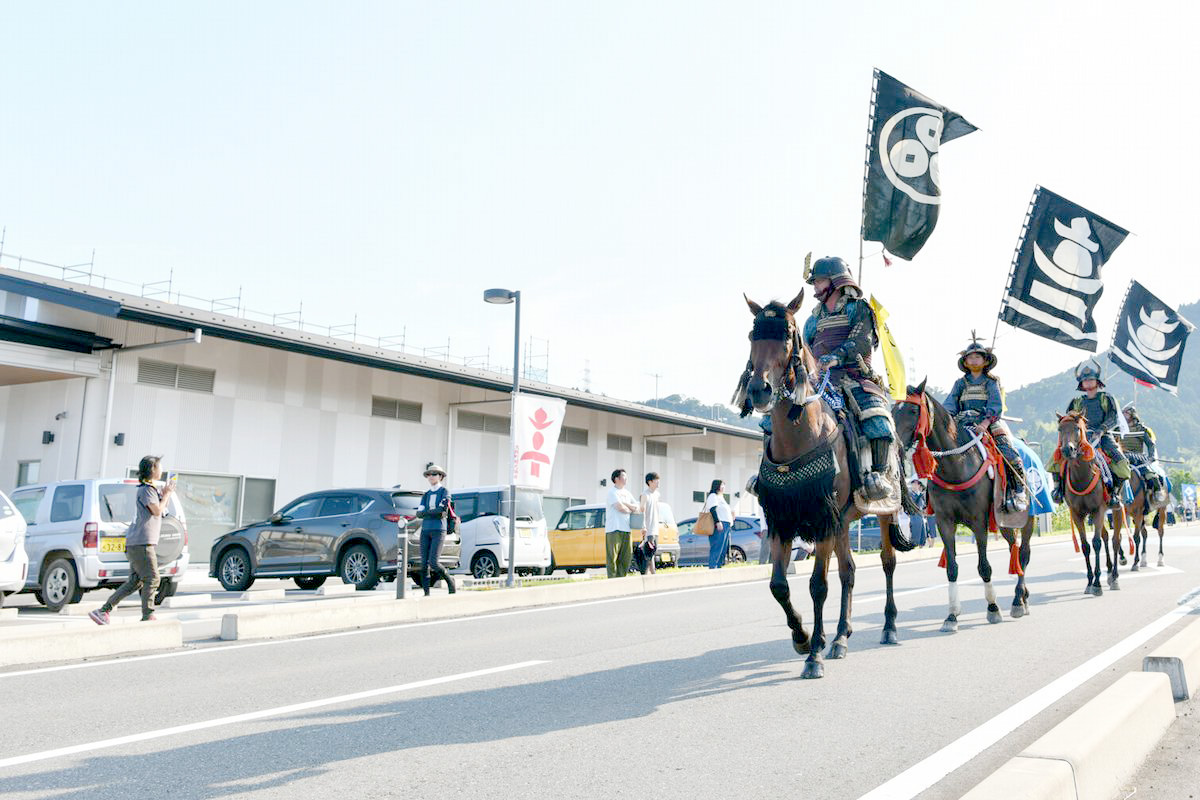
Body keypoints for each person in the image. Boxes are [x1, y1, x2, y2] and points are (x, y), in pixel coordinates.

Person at [803, 256, 896, 500]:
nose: (815, 287)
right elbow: (805, 347)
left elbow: (863, 341)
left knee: (878, 420)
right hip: (820, 381)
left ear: (835, 281)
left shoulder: (859, 308)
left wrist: (837, 356)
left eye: (819, 281)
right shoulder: (814, 318)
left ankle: (879, 476)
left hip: (854, 377)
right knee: (782, 414)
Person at [943, 335, 1028, 512]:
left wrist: (985, 422)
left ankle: (1019, 492)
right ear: (965, 362)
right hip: (963, 424)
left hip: (988, 423)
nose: (974, 360)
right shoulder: (960, 383)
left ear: (985, 360)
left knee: (1010, 454)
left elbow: (995, 405)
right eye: (970, 357)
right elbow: (950, 404)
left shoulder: (991, 382)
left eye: (977, 356)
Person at [89, 455, 173, 624]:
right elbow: (157, 511)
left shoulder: (150, 489)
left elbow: (162, 511)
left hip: (137, 542)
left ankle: (103, 611)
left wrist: (166, 495)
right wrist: (166, 496)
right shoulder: (146, 489)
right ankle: (148, 614)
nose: (162, 470)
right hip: (142, 543)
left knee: (135, 582)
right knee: (153, 578)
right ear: (153, 470)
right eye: (160, 467)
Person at [1051, 360, 1130, 507]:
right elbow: (1069, 420)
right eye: (1084, 380)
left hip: (1104, 436)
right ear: (1081, 384)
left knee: (1122, 462)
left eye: (1090, 379)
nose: (1087, 382)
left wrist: (1101, 430)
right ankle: (1058, 490)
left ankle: (1114, 494)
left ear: (1097, 381)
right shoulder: (1076, 401)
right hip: (1080, 438)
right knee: (1055, 459)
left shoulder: (1107, 398)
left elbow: (1114, 417)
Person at [414, 463, 456, 595]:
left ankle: (450, 582)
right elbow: (418, 513)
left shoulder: (444, 491)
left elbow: (442, 511)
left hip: (439, 530)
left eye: (434, 474)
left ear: (440, 476)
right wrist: (432, 511)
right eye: (429, 475)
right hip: (425, 530)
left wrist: (427, 511)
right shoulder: (426, 495)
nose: (431, 477)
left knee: (433, 562)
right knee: (423, 564)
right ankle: (426, 593)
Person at [1121, 405, 1167, 504]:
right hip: (1121, 457)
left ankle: (1157, 493)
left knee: (1151, 475)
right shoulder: (1118, 429)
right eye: (1123, 413)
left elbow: (1150, 445)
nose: (1124, 416)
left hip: (1138, 458)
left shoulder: (1141, 429)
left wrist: (1151, 456)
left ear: (1132, 415)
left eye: (1126, 413)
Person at [605, 469, 638, 578]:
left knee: (626, 556)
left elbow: (636, 507)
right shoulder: (612, 492)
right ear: (616, 479)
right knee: (612, 557)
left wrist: (625, 503)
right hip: (614, 529)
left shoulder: (627, 493)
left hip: (626, 529)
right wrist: (628, 508)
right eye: (624, 476)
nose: (626, 479)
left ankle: (621, 578)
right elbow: (619, 507)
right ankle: (612, 579)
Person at [705, 480, 733, 569]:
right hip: (720, 524)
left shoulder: (721, 497)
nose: (723, 487)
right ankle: (713, 567)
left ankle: (719, 566)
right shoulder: (713, 496)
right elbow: (713, 509)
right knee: (717, 546)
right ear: (717, 486)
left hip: (727, 525)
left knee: (724, 548)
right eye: (722, 485)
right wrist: (718, 522)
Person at [637, 472, 662, 575]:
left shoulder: (657, 494)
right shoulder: (645, 495)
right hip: (649, 528)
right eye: (656, 480)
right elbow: (641, 511)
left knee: (653, 551)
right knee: (649, 552)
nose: (658, 482)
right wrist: (643, 526)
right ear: (650, 482)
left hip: (655, 528)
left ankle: (651, 573)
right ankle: (651, 573)